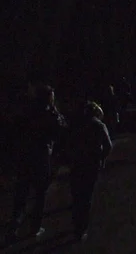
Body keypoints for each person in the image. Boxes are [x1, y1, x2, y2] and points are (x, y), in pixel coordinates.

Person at [6, 84, 67, 244]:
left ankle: (14, 225)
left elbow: (14, 131)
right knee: (40, 194)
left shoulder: (27, 112)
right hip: (41, 157)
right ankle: (34, 227)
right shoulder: (51, 115)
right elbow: (61, 131)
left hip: (25, 156)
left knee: (21, 193)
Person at [68, 101, 112, 242]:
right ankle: (81, 229)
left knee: (76, 195)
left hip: (76, 163)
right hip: (92, 164)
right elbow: (108, 146)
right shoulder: (99, 126)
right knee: (87, 196)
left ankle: (75, 224)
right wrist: (101, 158)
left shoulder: (76, 124)